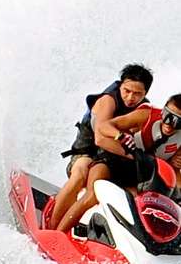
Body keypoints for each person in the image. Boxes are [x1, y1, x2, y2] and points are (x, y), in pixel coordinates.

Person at [47, 63, 153, 230]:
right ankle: (51, 227)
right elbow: (100, 139)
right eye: (127, 91)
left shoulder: (143, 109)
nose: (130, 97)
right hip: (87, 151)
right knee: (80, 175)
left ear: (145, 93)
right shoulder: (107, 101)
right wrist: (132, 156)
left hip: (111, 157)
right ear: (121, 85)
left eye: (137, 93)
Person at [55, 94, 181, 233]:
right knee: (92, 195)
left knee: (142, 207)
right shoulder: (146, 115)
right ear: (163, 111)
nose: (170, 125)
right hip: (114, 160)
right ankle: (58, 232)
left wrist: (173, 166)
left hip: (139, 175)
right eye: (167, 117)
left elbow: (174, 174)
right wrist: (119, 135)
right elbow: (104, 126)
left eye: (178, 122)